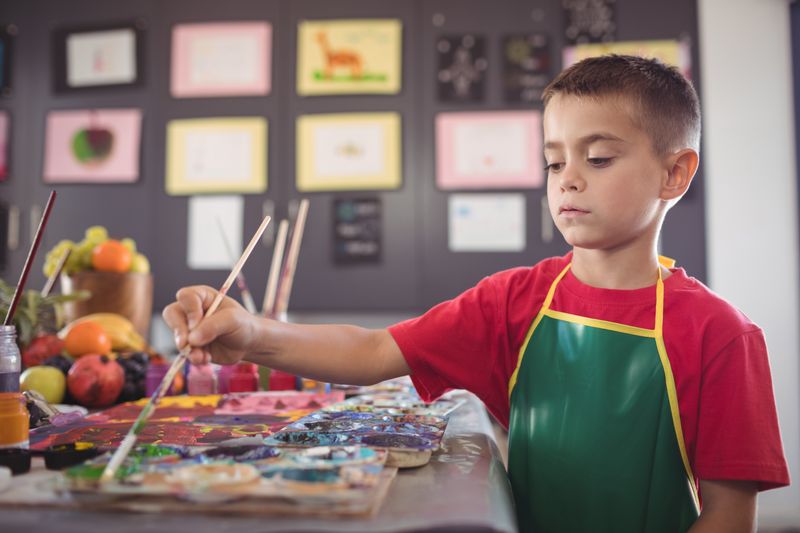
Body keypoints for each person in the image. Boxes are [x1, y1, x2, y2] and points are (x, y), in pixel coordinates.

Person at [163, 55, 789, 532]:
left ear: (675, 173)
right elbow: (373, 350)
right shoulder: (514, 301)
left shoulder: (722, 334)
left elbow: (731, 517)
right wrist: (250, 335)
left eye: (598, 158)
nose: (568, 178)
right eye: (553, 161)